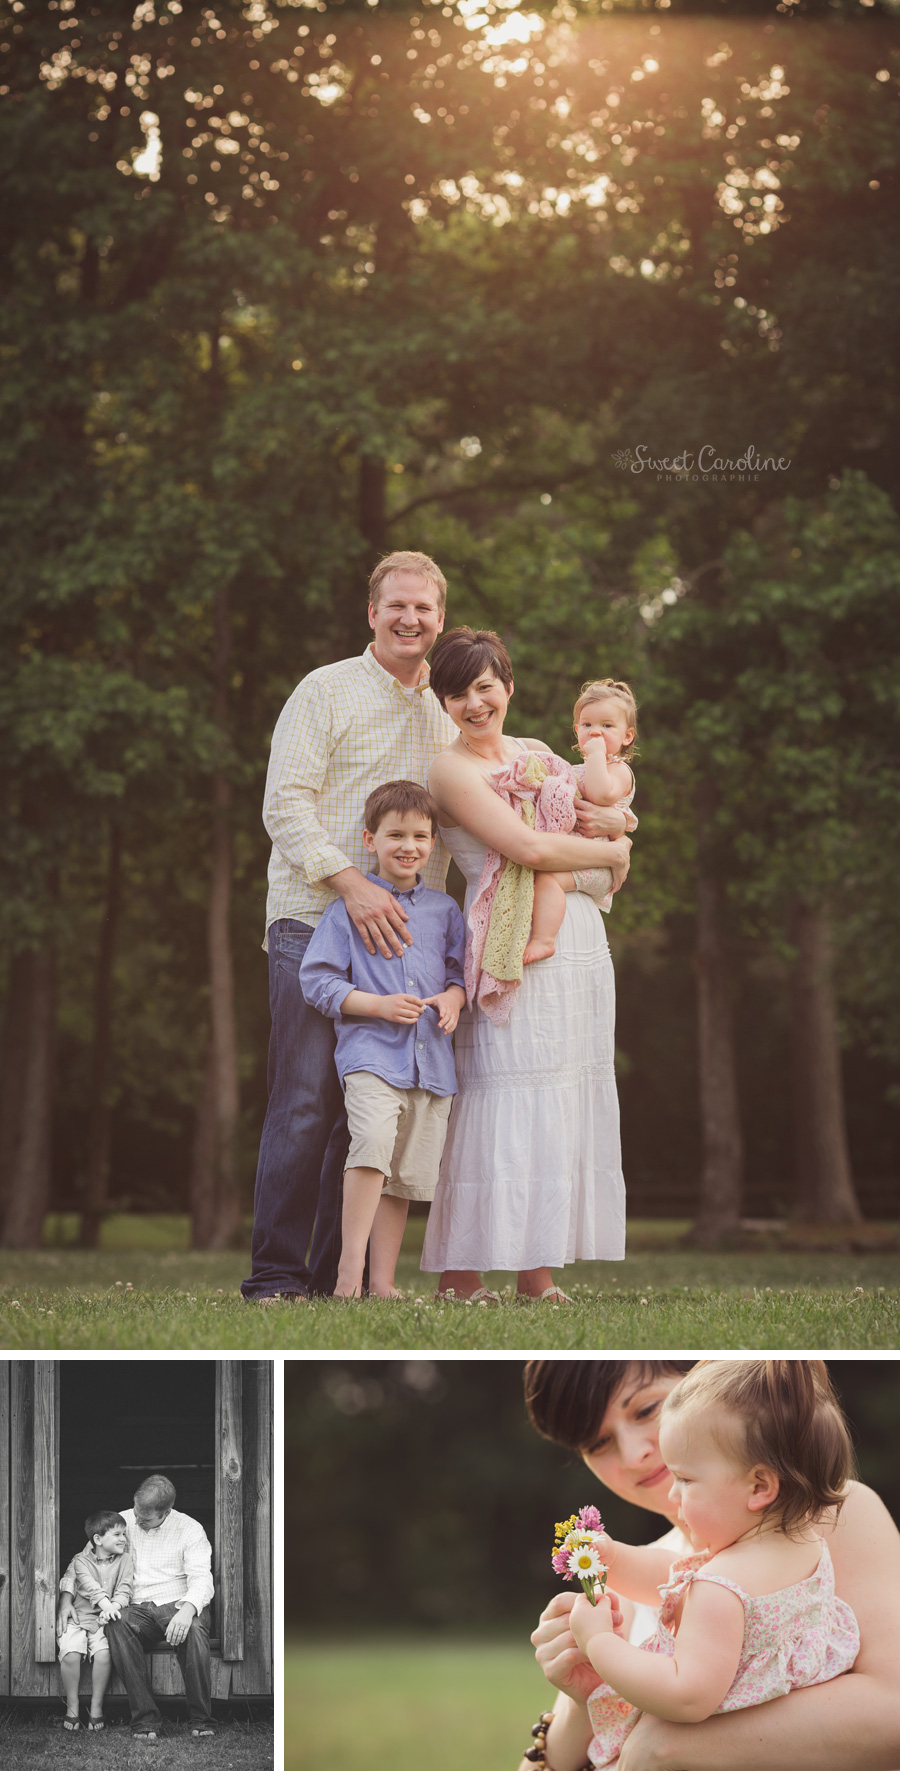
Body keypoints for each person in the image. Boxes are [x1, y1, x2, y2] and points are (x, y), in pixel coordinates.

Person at [241, 550, 457, 1303]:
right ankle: (274, 1274)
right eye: (396, 605)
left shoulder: (448, 714)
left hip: (405, 950)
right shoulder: (324, 690)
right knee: (304, 1101)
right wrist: (350, 885)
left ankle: (349, 1277)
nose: (410, 619)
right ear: (372, 612)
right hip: (313, 922)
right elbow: (284, 803)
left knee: (370, 1110)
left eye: (424, 609)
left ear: (439, 618)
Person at [520, 1360, 900, 1771]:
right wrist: (586, 1701)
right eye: (598, 1443)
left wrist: (666, 1744)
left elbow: (891, 1710)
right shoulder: (647, 1579)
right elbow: (673, 1575)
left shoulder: (827, 1517)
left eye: (647, 1410)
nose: (634, 1455)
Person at [419, 627, 632, 1303]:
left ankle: (535, 1275)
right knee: (499, 1093)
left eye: (485, 686)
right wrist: (611, 858)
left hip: (575, 942)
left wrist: (619, 842)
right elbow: (527, 848)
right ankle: (461, 1275)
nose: (475, 703)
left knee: (560, 1098)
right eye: (458, 692)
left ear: (507, 685)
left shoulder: (539, 753)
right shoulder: (450, 769)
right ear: (445, 702)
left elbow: (603, 820)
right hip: (507, 940)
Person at [299, 779, 466, 1298]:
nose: (408, 846)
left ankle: (383, 1282)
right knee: (370, 1145)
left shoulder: (445, 911)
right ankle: (348, 1274)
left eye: (420, 836)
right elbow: (317, 980)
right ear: (370, 839)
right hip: (371, 1054)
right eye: (395, 835)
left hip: (432, 1064)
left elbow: (460, 974)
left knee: (406, 1173)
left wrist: (454, 1000)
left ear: (433, 843)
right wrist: (377, 1005)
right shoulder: (346, 910)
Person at [59, 1474, 216, 1741]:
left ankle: (201, 1718)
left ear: (166, 1512)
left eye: (145, 1518)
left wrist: (188, 1609)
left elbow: (202, 1577)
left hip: (177, 1602)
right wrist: (65, 1598)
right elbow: (82, 1562)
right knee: (116, 1624)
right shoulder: (121, 1522)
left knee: (196, 1629)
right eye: (136, 1512)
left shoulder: (189, 1529)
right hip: (135, 1607)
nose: (138, 1521)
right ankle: (145, 1720)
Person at [526, 679, 638, 966]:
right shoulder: (580, 767)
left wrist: (598, 755)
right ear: (577, 732)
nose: (596, 731)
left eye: (607, 726)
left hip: (598, 865)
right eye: (587, 725)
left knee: (548, 880)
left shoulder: (619, 770)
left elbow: (601, 795)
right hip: (580, 856)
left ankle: (544, 940)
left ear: (627, 736)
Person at [57, 1509, 133, 1732]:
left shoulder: (125, 1560)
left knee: (104, 1654)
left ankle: (96, 1707)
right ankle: (72, 1706)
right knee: (71, 1653)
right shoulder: (80, 1561)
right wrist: (107, 1605)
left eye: (124, 1534)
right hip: (78, 1616)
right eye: (117, 1534)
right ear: (98, 1539)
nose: (123, 1539)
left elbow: (125, 1589)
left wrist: (114, 1607)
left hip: (104, 1618)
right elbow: (91, 1588)